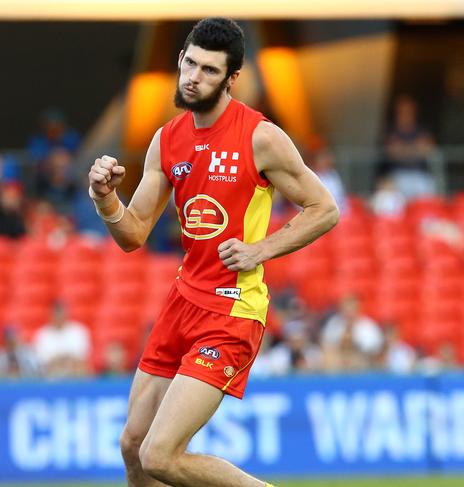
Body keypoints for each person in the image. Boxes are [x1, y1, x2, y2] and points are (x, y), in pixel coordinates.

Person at [88, 18, 339, 487]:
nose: (192, 76)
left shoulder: (260, 137)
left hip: (231, 311)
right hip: (182, 301)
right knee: (133, 448)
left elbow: (324, 208)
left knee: (160, 456)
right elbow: (133, 234)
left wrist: (260, 250)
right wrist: (105, 200)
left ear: (231, 79)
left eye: (207, 69)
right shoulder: (167, 139)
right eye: (188, 63)